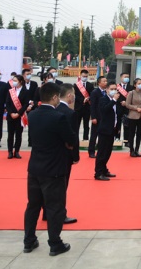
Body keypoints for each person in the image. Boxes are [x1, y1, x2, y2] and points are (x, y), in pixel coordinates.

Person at [22, 82, 77, 256]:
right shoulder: (58, 117)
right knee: (54, 207)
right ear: (54, 97)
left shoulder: (33, 115)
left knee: (33, 206)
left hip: (35, 167)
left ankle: (29, 240)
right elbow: (71, 139)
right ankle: (55, 243)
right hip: (54, 169)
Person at [56, 84, 79, 224]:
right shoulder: (70, 113)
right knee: (62, 185)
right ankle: (60, 213)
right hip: (65, 154)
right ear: (69, 95)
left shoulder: (52, 109)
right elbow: (73, 137)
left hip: (50, 154)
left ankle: (48, 212)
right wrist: (75, 156)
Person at [92, 81, 119, 180]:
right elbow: (104, 110)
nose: (113, 91)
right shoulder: (103, 99)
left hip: (112, 129)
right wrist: (114, 100)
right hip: (104, 129)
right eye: (111, 89)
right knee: (102, 152)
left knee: (108, 152)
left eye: (115, 89)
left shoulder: (116, 101)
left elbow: (117, 115)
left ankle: (104, 170)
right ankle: (98, 173)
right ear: (107, 90)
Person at [6, 73, 31, 159]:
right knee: (10, 135)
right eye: (13, 80)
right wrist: (11, 113)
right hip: (11, 116)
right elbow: (7, 103)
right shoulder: (10, 91)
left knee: (18, 135)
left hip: (20, 116)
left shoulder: (25, 91)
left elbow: (25, 104)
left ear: (20, 81)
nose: (13, 82)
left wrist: (18, 114)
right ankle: (10, 151)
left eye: (15, 80)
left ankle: (16, 151)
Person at [126, 78, 141, 157]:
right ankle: (131, 150)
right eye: (139, 83)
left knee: (139, 133)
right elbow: (127, 104)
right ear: (135, 85)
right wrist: (136, 108)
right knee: (132, 133)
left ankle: (137, 150)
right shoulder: (131, 93)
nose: (140, 85)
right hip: (133, 115)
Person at [88, 76, 108, 159]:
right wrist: (93, 117)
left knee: (102, 136)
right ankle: (91, 151)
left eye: (106, 81)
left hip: (105, 117)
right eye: (104, 81)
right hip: (97, 117)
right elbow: (92, 106)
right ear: (99, 83)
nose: (106, 82)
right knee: (94, 135)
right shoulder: (95, 92)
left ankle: (100, 151)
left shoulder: (107, 92)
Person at [73, 70, 94, 140]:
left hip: (87, 108)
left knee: (86, 125)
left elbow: (92, 95)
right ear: (80, 76)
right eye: (83, 76)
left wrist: (88, 98)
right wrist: (82, 99)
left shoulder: (90, 85)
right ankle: (76, 139)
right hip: (78, 108)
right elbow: (75, 96)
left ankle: (85, 139)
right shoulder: (76, 85)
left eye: (86, 76)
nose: (85, 77)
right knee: (77, 124)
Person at [114, 73, 134, 147]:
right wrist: (121, 101)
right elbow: (114, 96)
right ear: (121, 77)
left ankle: (127, 141)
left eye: (128, 77)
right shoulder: (116, 87)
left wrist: (126, 102)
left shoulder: (131, 87)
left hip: (127, 109)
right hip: (118, 108)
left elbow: (132, 97)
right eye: (125, 77)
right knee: (117, 125)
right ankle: (117, 139)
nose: (126, 78)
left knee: (127, 125)